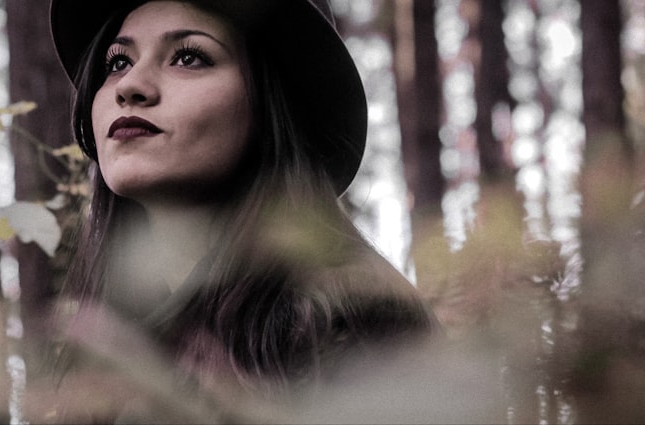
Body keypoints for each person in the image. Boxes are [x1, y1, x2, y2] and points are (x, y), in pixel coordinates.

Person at [41, 0, 438, 421]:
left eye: (188, 57)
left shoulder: (359, 328)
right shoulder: (97, 357)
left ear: (272, 104)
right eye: (118, 62)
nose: (130, 86)